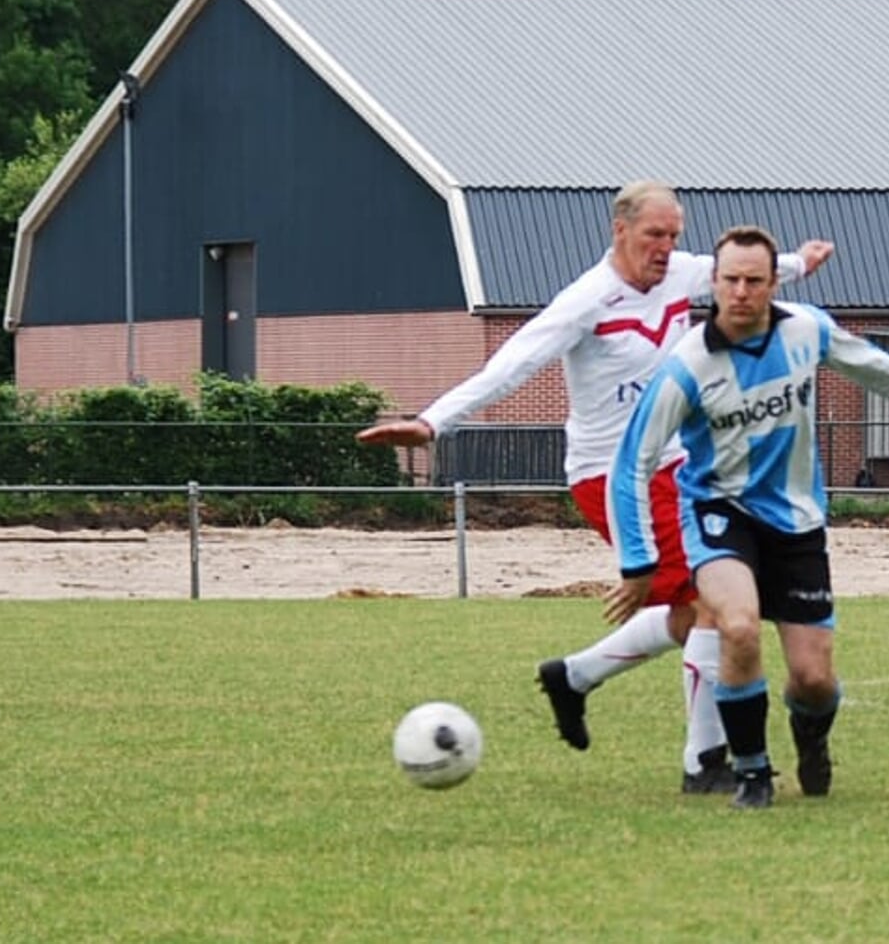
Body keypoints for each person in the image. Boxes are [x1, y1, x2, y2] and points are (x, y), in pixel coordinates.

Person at [357, 181, 834, 792]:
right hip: (612, 473)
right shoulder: (586, 301)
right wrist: (432, 422)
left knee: (698, 609)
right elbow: (511, 364)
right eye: (653, 236)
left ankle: (575, 678)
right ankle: (703, 763)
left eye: (673, 236)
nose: (665, 248)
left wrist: (800, 261)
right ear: (620, 231)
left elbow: (746, 273)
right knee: (711, 607)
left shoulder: (687, 274)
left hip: (680, 466)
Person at [607, 225, 889, 808]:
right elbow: (631, 462)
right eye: (729, 279)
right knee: (736, 626)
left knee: (812, 680)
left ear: (772, 282)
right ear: (713, 282)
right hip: (719, 511)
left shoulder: (806, 330)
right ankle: (752, 772)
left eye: (754, 281)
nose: (740, 291)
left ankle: (812, 741)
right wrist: (638, 561)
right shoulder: (689, 364)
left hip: (798, 522)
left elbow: (866, 363)